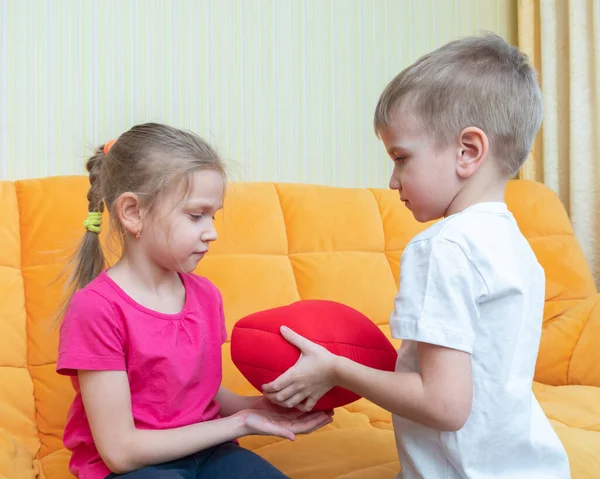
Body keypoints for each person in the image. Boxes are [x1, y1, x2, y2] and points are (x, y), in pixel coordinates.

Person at [262, 33, 571, 478]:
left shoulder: (441, 246)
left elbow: (443, 405)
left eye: (401, 157)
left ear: (468, 152)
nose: (393, 180)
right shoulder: (516, 245)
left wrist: (335, 369)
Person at [56, 123, 333, 479]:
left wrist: (260, 407)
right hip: (136, 466)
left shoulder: (205, 295)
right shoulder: (96, 308)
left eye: (213, 215)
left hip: (208, 451)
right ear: (133, 212)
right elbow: (120, 453)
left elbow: (195, 388)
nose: (212, 231)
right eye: (195, 215)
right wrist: (240, 424)